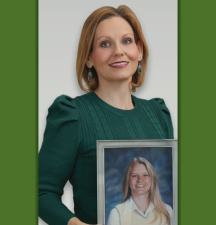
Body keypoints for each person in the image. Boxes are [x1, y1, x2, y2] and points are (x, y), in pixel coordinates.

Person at [38, 5, 174, 225]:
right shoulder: (72, 115)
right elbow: (41, 193)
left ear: (139, 50)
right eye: (105, 44)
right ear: (89, 58)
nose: (118, 51)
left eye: (127, 41)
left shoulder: (159, 114)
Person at [107, 157, 172, 225]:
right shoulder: (117, 214)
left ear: (152, 180)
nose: (140, 180)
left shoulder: (167, 211)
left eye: (145, 175)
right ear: (128, 180)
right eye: (134, 176)